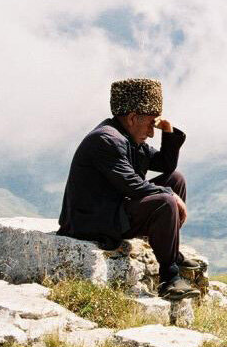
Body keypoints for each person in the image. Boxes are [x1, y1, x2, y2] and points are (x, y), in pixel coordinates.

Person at [58, 78, 200, 300]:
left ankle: (170, 251)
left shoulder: (129, 137)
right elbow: (132, 186)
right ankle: (169, 278)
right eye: (151, 124)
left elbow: (165, 165)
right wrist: (171, 197)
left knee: (175, 179)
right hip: (94, 220)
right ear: (133, 118)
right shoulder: (106, 140)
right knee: (165, 201)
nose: (152, 133)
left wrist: (168, 131)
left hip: (115, 208)